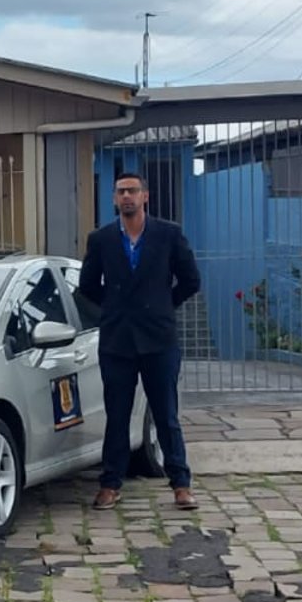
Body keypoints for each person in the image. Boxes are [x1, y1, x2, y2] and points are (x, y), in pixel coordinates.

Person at [76, 172, 202, 512]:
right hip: (118, 340)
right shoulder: (101, 239)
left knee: (165, 413)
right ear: (115, 199)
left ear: (145, 196)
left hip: (159, 338)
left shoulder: (168, 234)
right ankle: (110, 484)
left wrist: (163, 304)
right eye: (121, 192)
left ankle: (180, 483)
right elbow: (87, 286)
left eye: (133, 190)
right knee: (116, 414)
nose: (127, 196)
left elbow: (191, 280)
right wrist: (116, 307)